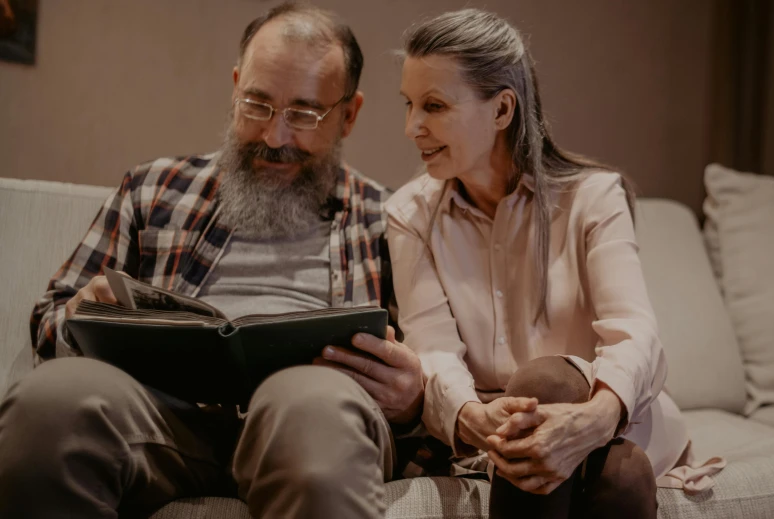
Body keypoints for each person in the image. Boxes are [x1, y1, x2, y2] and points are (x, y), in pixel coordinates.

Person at [0, 4, 424, 518]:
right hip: (162, 416)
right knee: (50, 404)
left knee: (312, 410)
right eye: (258, 104)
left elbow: (437, 367)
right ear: (235, 86)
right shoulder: (154, 188)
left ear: (348, 115)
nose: (275, 136)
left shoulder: (393, 220)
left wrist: (413, 399)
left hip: (314, 418)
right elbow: (52, 315)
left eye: (304, 114)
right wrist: (81, 317)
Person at [386, 8, 724, 519]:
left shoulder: (593, 196)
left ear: (502, 111)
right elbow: (432, 348)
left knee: (546, 380)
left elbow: (634, 332)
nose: (412, 127)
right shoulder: (409, 215)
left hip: (610, 412)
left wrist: (597, 416)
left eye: (433, 105)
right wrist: (476, 417)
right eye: (410, 104)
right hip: (498, 430)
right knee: (621, 473)